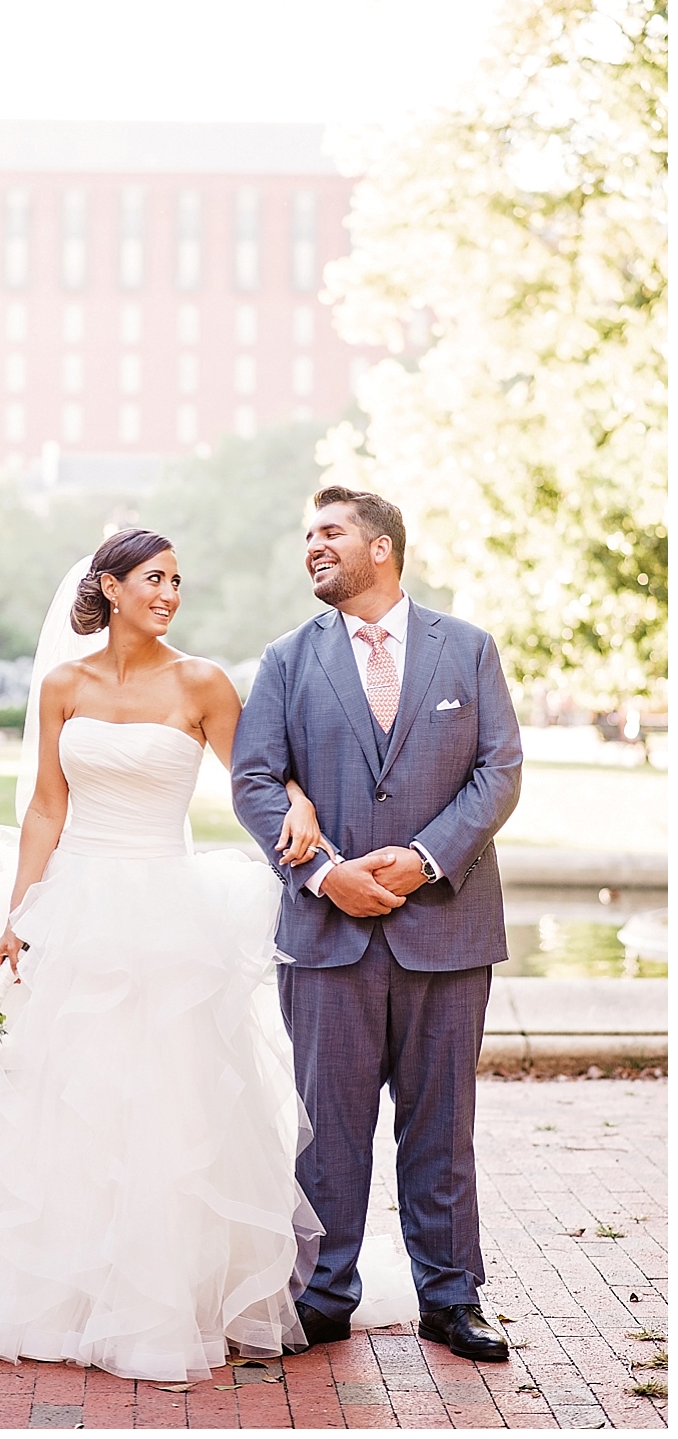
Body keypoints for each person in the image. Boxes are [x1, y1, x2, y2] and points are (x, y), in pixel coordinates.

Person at [0, 528, 416, 1384]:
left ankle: (157, 1290)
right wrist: (22, 910)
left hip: (167, 913)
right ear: (108, 588)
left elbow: (255, 772)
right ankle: (32, 1285)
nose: (170, 593)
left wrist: (295, 799)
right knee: (48, 1099)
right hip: (74, 904)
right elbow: (43, 808)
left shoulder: (202, 682)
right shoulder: (64, 685)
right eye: (153, 578)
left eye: (178, 579)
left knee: (163, 1104)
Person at [232, 486, 523, 1364]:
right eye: (307, 535)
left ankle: (451, 1298)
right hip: (329, 939)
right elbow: (254, 780)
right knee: (328, 1123)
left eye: (330, 533)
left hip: (449, 928)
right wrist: (326, 874)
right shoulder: (286, 659)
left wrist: (423, 859)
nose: (312, 547)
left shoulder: (468, 650)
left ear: (382, 548)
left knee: (443, 1124)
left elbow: (499, 770)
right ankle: (322, 1295)